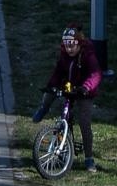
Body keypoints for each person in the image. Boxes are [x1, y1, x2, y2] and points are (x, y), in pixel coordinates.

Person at [32, 25, 103, 172]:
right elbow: (58, 72)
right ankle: (43, 108)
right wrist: (52, 85)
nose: (69, 49)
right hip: (69, 87)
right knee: (51, 95)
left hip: (84, 91)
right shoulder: (64, 56)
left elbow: (95, 75)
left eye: (72, 45)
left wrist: (86, 87)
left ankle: (89, 158)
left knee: (84, 122)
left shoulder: (87, 55)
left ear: (79, 43)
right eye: (66, 45)